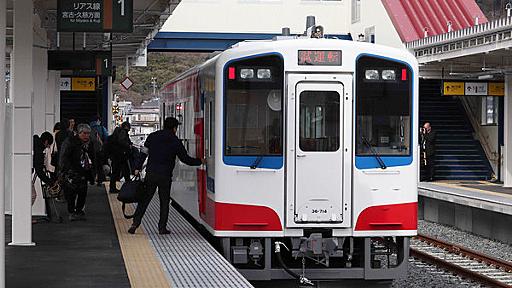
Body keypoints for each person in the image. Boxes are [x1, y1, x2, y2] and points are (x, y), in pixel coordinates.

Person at [128, 117, 205, 235]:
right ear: (174, 128)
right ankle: (162, 228)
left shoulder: (152, 136)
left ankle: (135, 223)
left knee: (145, 200)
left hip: (151, 173)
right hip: (165, 176)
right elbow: (185, 159)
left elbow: (143, 153)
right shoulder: (175, 141)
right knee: (164, 202)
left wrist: (137, 167)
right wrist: (200, 161)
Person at [59, 124, 96, 221]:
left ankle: (79, 211)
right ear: (79, 133)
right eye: (84, 133)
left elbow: (93, 157)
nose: (86, 136)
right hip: (72, 171)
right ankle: (71, 212)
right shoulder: (70, 142)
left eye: (88, 133)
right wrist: (64, 170)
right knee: (71, 193)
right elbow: (64, 157)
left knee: (83, 193)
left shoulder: (90, 143)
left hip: (84, 171)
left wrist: (93, 173)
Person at [108, 121, 132, 193]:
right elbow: (121, 141)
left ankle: (112, 188)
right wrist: (128, 145)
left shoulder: (117, 132)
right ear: (126, 126)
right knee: (126, 172)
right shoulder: (122, 132)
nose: (130, 129)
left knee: (115, 172)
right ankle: (128, 188)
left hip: (116, 155)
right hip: (121, 156)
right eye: (129, 127)